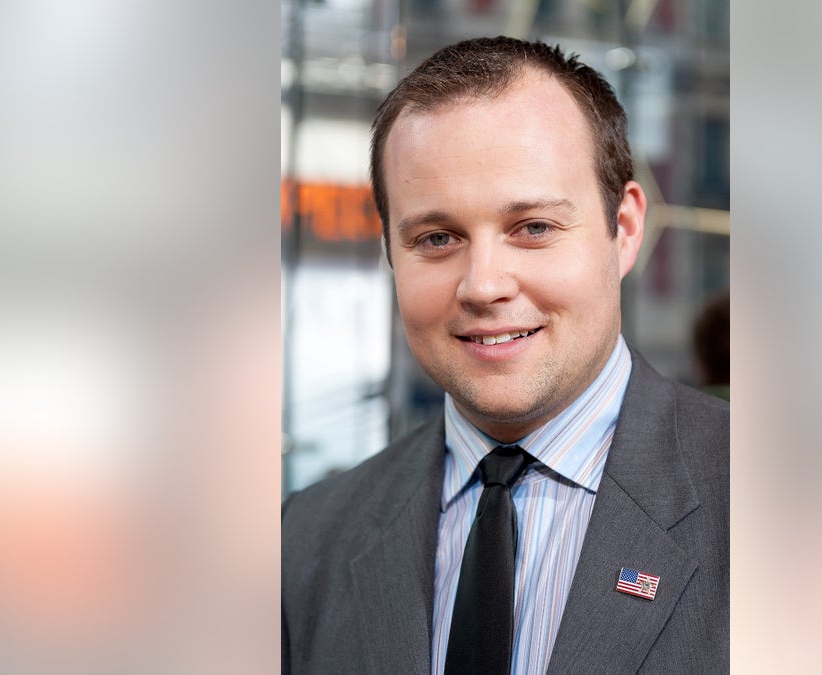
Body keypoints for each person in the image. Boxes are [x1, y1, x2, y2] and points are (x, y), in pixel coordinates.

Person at [282, 36, 728, 674]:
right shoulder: (303, 543)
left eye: (534, 228)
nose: (483, 285)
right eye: (437, 238)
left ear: (625, 230)